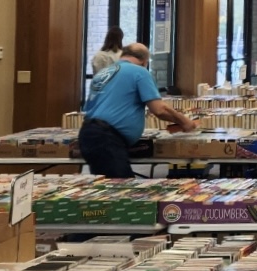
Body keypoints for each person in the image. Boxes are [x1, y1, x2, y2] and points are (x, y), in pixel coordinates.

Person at [79, 43, 197, 177]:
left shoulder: (103, 73)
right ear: (145, 61)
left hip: (89, 133)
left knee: (111, 185)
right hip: (106, 138)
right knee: (120, 189)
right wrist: (185, 121)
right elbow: (159, 110)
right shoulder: (139, 72)